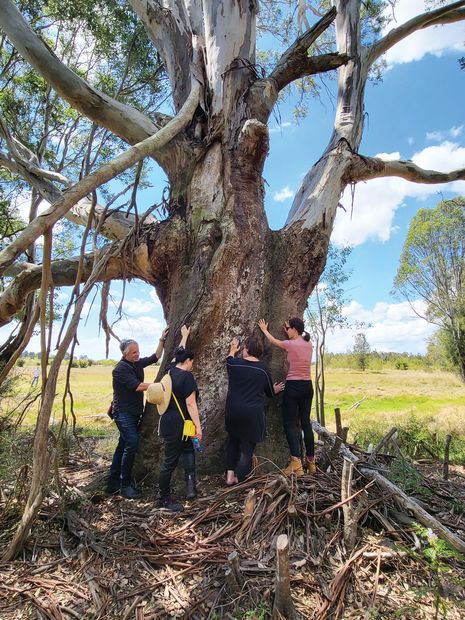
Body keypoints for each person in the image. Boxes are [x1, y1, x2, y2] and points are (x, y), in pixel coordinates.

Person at [106, 329, 169, 499]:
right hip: (122, 413)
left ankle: (113, 483)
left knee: (122, 447)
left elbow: (155, 357)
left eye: (138, 351)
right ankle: (125, 485)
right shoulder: (120, 369)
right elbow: (137, 386)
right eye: (134, 352)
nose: (137, 355)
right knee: (132, 444)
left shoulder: (137, 363)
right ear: (125, 354)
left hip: (133, 413)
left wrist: (161, 340)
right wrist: (161, 386)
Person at [258, 317, 315, 476]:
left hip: (294, 387)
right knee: (305, 423)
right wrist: (290, 331)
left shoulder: (290, 344)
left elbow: (274, 341)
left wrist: (264, 330)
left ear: (294, 329)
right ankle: (311, 463)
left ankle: (296, 464)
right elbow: (294, 338)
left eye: (288, 328)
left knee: (290, 424)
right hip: (307, 387)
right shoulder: (308, 343)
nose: (286, 330)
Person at [225, 336, 284, 485]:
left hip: (233, 411)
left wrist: (232, 349)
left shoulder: (235, 364)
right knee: (246, 450)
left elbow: (229, 359)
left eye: (244, 347)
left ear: (247, 350)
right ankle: (240, 481)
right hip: (252, 414)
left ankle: (229, 477)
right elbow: (270, 393)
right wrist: (276, 389)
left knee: (233, 442)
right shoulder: (263, 370)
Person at [158, 347, 202, 512]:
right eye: (192, 362)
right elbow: (191, 404)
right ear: (188, 361)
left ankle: (191, 487)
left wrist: (184, 338)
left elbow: (177, 355)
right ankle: (164, 498)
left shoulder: (169, 371)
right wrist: (198, 427)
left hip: (168, 421)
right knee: (170, 462)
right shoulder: (187, 377)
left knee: (188, 448)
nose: (192, 365)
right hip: (181, 423)